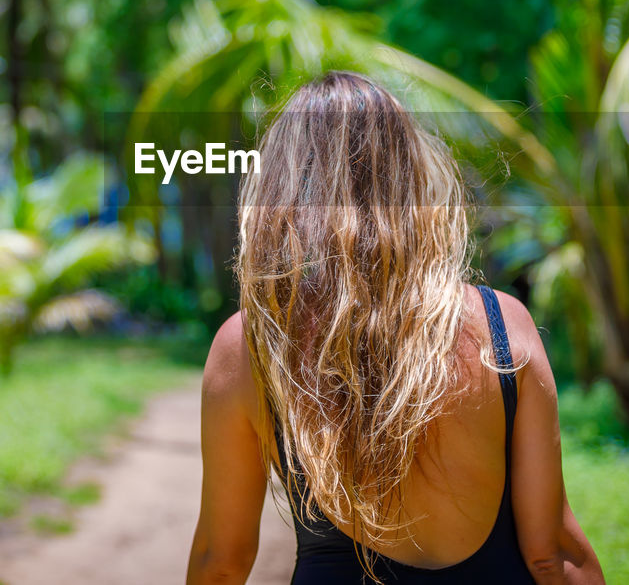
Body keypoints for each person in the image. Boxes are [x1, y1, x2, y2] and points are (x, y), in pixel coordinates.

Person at [187, 71, 604, 584]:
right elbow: (553, 554)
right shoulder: (500, 325)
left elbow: (221, 563)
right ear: (411, 176)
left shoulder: (254, 345)